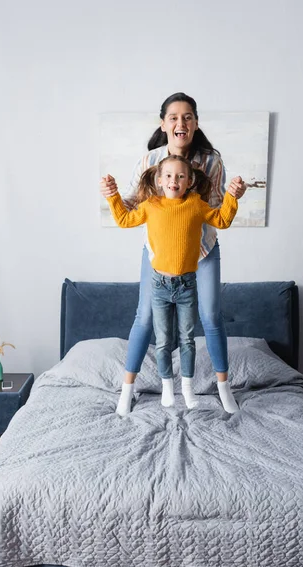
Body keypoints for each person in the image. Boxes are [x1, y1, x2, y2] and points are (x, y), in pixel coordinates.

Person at [100, 92, 247, 416]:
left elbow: (219, 211)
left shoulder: (212, 162)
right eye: (174, 117)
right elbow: (132, 206)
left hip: (203, 251)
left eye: (188, 117)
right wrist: (113, 196)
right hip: (157, 257)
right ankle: (127, 389)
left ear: (195, 123)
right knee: (145, 318)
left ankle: (224, 388)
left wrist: (234, 195)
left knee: (210, 317)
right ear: (164, 123)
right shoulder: (149, 161)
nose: (181, 122)